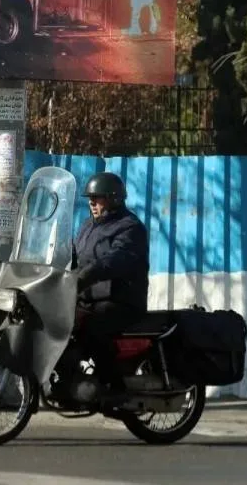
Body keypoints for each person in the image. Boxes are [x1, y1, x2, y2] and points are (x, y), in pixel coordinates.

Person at [58, 171, 149, 404]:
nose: (91, 202)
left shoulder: (130, 228)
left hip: (120, 302)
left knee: (91, 328)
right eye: (90, 197)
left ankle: (113, 385)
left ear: (114, 198)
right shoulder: (89, 226)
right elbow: (74, 253)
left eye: (97, 197)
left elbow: (114, 259)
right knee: (58, 323)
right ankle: (68, 380)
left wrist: (86, 275)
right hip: (89, 299)